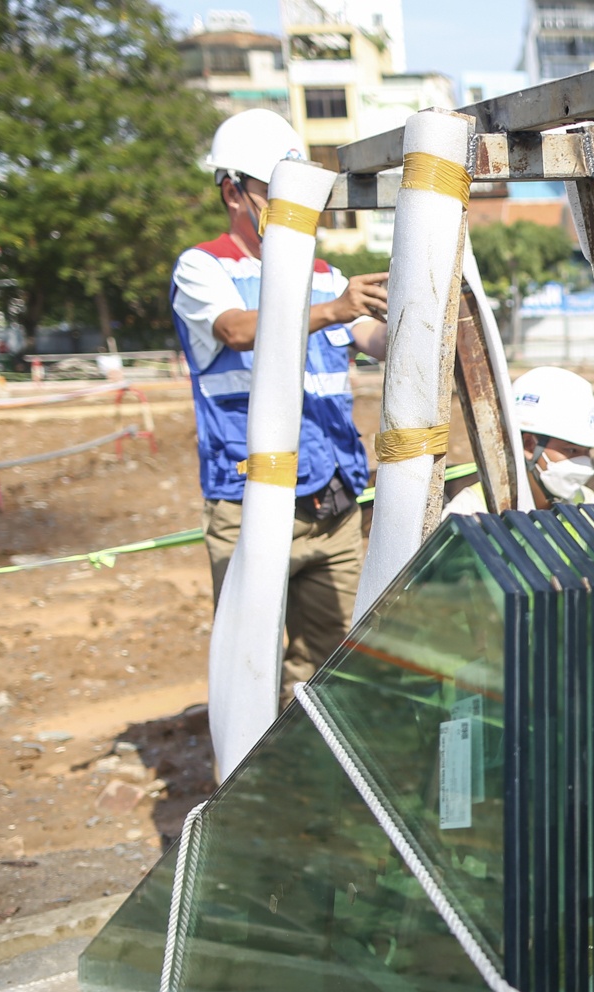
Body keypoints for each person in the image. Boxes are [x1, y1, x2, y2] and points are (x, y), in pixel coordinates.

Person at [173, 109, 388, 690]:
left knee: (331, 667)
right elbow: (235, 330)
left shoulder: (325, 274)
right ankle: (246, 776)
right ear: (234, 192)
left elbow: (375, 340)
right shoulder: (204, 266)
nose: (297, 207)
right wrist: (336, 309)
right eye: (277, 192)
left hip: (333, 506)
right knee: (249, 670)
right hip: (249, 504)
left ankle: (308, 771)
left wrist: (426, 305)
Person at [443, 366, 594, 514]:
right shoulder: (471, 511)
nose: (583, 463)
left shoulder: (588, 505)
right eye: (571, 450)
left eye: (586, 452)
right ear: (529, 445)